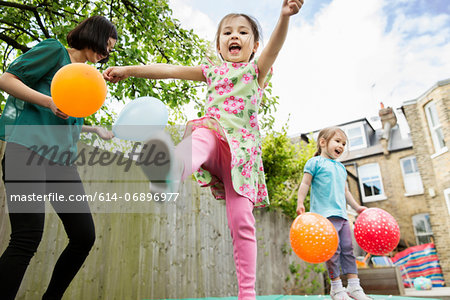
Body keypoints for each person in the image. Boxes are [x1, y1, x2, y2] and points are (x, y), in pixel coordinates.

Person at [103, 1, 303, 299]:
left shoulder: (255, 71)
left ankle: (247, 294)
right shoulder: (210, 71)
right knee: (200, 139)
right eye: (227, 33)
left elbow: (275, 47)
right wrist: (130, 69)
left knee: (242, 223)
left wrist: (284, 17)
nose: (234, 36)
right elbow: (169, 70)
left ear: (254, 45)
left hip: (242, 157)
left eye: (243, 32)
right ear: (219, 46)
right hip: (213, 135)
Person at [0, 16, 117, 300]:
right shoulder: (55, 51)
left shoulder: (82, 77)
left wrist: (93, 128)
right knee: (27, 237)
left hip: (60, 162)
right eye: (107, 45)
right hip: (25, 151)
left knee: (83, 236)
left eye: (111, 51)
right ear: (94, 34)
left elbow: (63, 117)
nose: (108, 53)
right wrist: (48, 101)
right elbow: (6, 79)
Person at [296, 127, 372, 300]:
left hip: (343, 216)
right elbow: (305, 184)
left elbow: (346, 191)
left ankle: (354, 286)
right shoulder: (314, 163)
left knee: (348, 250)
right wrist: (300, 202)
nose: (341, 146)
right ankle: (336, 287)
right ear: (323, 142)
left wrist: (357, 207)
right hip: (323, 218)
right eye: (337, 141)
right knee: (332, 252)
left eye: (344, 143)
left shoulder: (341, 168)